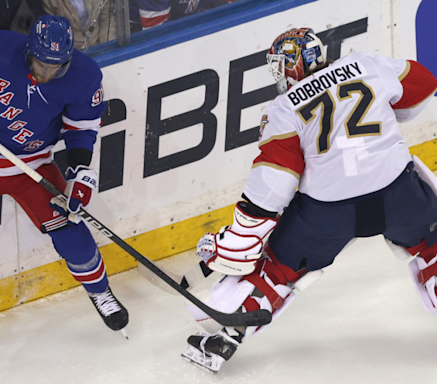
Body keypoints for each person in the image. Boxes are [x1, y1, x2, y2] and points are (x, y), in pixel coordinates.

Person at [181, 27, 437, 373]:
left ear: (292, 64)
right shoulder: (365, 64)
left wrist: (237, 238)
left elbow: (274, 184)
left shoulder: (284, 108)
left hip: (330, 214)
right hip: (398, 196)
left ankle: (227, 335)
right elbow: (423, 84)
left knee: (276, 268)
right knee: (433, 245)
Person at [0, 15, 129, 333]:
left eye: (56, 67)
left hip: (32, 165)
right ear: (28, 51)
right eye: (41, 64)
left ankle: (101, 293)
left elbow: (82, 127)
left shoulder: (84, 75)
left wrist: (78, 172)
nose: (47, 74)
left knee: (71, 232)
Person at [42, 0, 116, 50]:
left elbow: (107, 19)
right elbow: (52, 34)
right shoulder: (49, 2)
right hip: (73, 55)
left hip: (100, 47)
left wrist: (106, 48)